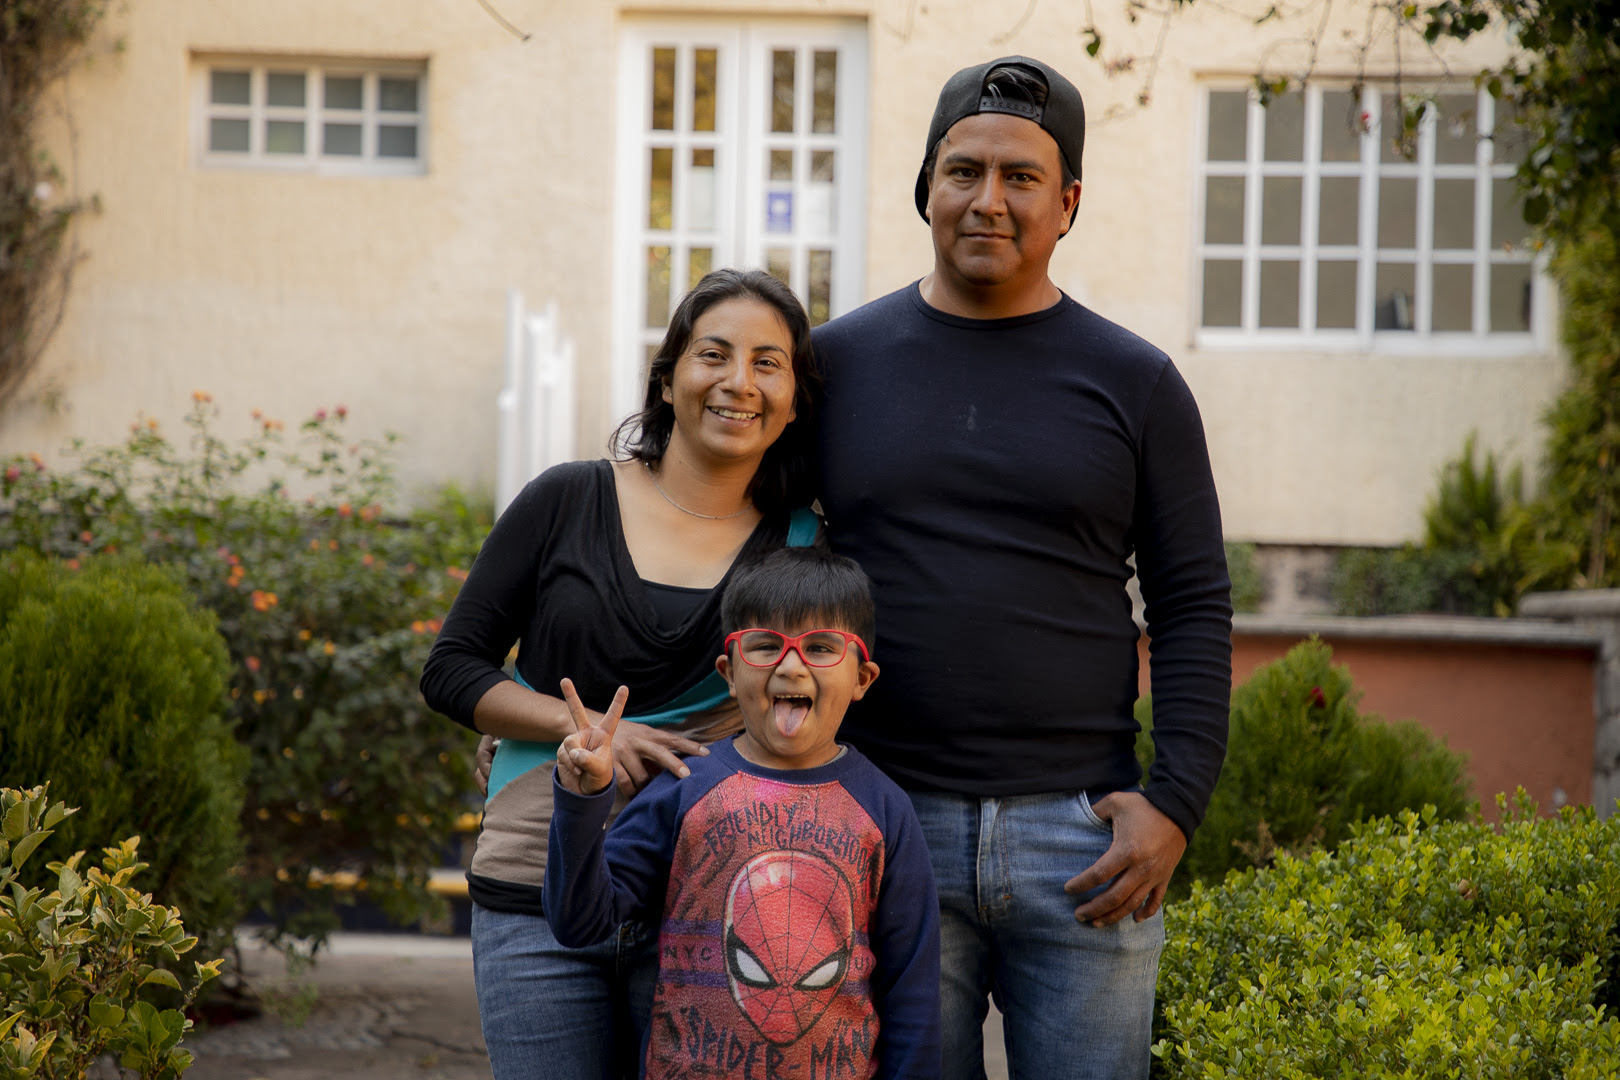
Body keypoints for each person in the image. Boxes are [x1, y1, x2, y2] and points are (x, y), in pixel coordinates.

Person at [811, 57, 1234, 1080]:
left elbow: (1191, 604)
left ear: (1068, 203)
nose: (987, 200)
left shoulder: (1136, 382)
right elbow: (730, 543)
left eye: (1021, 177)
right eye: (963, 171)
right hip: (884, 819)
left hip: (1085, 840)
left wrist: (1176, 803)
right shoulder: (835, 366)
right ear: (926, 186)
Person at [420, 269, 822, 1080]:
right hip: (536, 884)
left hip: (708, 898)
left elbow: (817, 715)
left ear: (792, 401)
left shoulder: (806, 549)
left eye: (767, 363)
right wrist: (576, 728)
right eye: (713, 354)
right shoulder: (566, 500)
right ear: (668, 379)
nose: (738, 382)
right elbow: (452, 668)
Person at [544, 547, 941, 1079]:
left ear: (862, 678)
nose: (791, 666)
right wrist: (582, 800)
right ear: (729, 673)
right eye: (766, 646)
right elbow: (581, 922)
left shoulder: (885, 809)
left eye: (820, 648)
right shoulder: (683, 788)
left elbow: (912, 987)